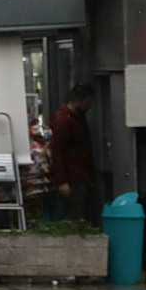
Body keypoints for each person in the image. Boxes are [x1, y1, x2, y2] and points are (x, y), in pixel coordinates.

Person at [50, 84, 96, 223]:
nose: (89, 106)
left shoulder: (74, 118)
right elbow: (57, 150)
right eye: (87, 102)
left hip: (79, 175)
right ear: (79, 100)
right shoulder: (64, 121)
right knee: (73, 216)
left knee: (77, 214)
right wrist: (62, 181)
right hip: (73, 177)